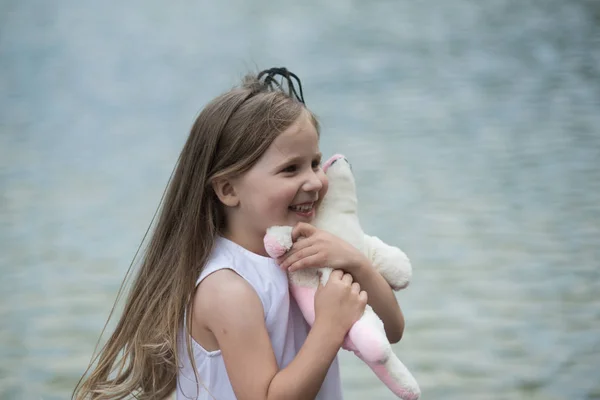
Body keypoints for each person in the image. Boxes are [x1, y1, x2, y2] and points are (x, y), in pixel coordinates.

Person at [73, 67, 406, 400]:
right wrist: (330, 327)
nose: (316, 181)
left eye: (315, 163)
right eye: (291, 168)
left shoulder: (309, 249)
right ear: (229, 189)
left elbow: (391, 330)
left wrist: (356, 262)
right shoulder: (228, 289)